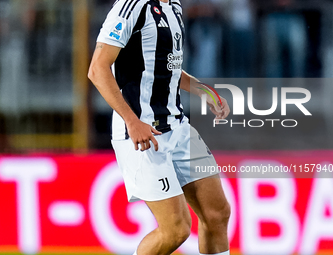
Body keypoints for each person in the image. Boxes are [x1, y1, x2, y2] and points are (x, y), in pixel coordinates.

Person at [88, 0, 231, 254]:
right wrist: (132, 121)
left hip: (178, 126)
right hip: (144, 132)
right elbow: (98, 69)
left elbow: (167, 67)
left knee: (217, 214)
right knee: (176, 229)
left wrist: (204, 91)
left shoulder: (174, 5)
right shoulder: (132, 6)